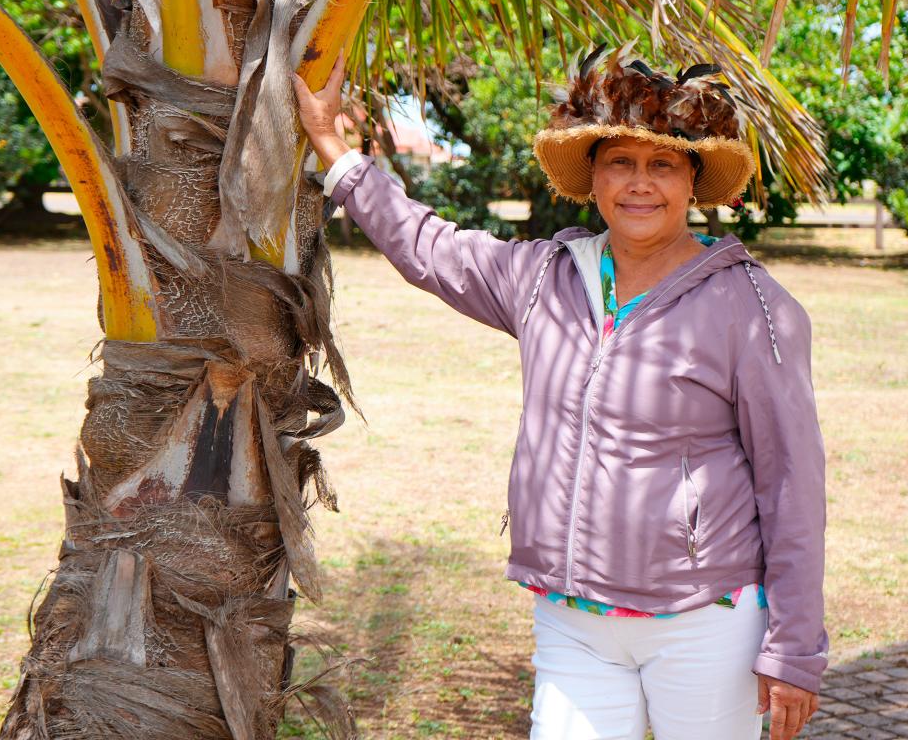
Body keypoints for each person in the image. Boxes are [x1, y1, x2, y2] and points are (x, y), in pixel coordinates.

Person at [293, 47, 827, 740]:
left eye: (662, 164)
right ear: (594, 177)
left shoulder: (752, 306)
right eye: (621, 163)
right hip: (572, 624)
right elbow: (428, 248)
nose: (640, 184)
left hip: (707, 625)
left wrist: (792, 649)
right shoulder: (544, 277)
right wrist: (334, 147)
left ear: (692, 179)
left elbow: (791, 485)